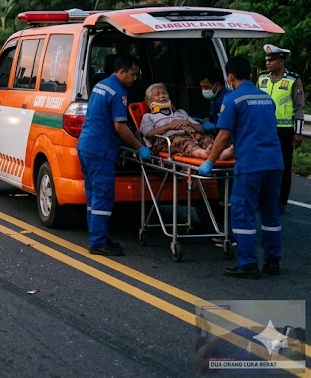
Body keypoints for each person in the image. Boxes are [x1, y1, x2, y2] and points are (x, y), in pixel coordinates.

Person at [200, 56, 284, 278]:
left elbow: (223, 136)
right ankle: (273, 262)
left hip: (251, 164)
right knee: (270, 214)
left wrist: (209, 162)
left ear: (230, 77)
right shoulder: (266, 98)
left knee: (242, 213)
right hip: (274, 163)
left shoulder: (233, 99)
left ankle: (247, 264)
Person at [76, 55, 150, 257]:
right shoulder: (118, 92)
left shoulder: (101, 84)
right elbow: (120, 126)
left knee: (93, 196)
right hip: (100, 150)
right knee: (103, 196)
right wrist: (139, 147)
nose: (135, 78)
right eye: (133, 74)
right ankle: (98, 243)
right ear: (122, 72)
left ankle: (97, 237)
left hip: (86, 146)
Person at [257, 44, 304, 213]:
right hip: (263, 128)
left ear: (282, 61)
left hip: (284, 130)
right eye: (267, 60)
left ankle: (280, 202)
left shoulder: (293, 79)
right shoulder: (262, 78)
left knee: (282, 166)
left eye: (272, 59)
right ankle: (262, 199)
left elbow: (299, 107)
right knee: (262, 164)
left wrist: (298, 132)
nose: (268, 63)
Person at [139, 83, 233, 160]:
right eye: (157, 94)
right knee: (181, 141)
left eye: (164, 93)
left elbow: (200, 128)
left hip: (192, 136)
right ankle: (204, 154)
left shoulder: (180, 112)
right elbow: (148, 134)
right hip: (166, 142)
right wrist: (169, 126)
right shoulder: (148, 116)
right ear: (148, 101)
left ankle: (223, 152)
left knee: (206, 139)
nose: (162, 95)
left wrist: (189, 123)